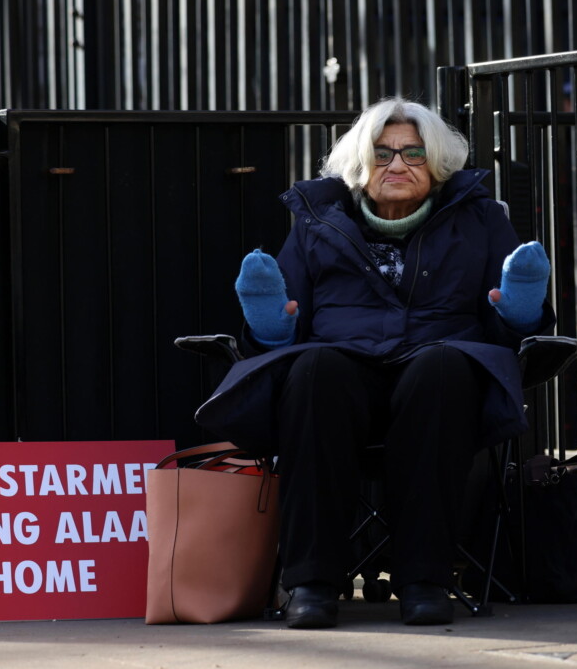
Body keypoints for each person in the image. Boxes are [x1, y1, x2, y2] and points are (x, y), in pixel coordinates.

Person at [194, 97, 555, 629]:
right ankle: (312, 583)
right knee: (314, 370)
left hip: (439, 379)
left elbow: (501, 329)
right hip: (343, 376)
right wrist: (272, 323)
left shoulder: (478, 220)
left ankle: (426, 579)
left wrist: (520, 313)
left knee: (442, 370)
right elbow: (289, 328)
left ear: (436, 165)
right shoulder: (317, 222)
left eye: (413, 153)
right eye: (383, 154)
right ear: (361, 166)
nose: (398, 165)